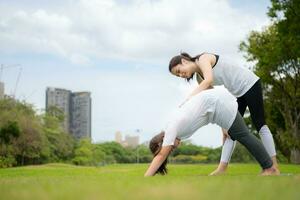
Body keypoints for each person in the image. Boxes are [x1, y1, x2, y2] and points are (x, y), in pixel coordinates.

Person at [168, 52, 279, 175]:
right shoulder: (200, 79)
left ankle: (274, 167)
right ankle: (222, 169)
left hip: (250, 84)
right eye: (177, 75)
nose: (180, 75)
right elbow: (216, 100)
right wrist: (223, 125)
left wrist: (189, 98)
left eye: (179, 71)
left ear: (184, 61)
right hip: (238, 93)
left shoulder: (203, 59)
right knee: (230, 132)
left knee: (260, 124)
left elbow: (209, 80)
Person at [144, 87, 279, 177]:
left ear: (162, 140)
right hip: (218, 109)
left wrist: (146, 177)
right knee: (240, 135)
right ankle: (268, 167)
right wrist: (224, 126)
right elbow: (202, 113)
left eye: (169, 147)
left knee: (243, 135)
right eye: (171, 149)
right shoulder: (177, 131)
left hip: (220, 104)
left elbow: (161, 156)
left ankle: (269, 168)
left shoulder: (172, 128)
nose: (171, 148)